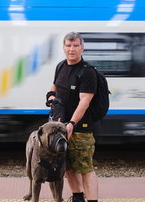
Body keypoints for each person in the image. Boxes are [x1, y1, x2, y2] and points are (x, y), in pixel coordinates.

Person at [46, 32, 99, 202]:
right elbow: (55, 84)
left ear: (82, 48)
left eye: (76, 45)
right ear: (63, 48)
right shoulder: (61, 66)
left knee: (85, 169)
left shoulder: (88, 72)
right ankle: (77, 197)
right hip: (60, 127)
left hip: (80, 129)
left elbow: (85, 101)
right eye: (68, 46)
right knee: (66, 165)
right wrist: (50, 95)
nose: (72, 49)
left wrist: (72, 123)